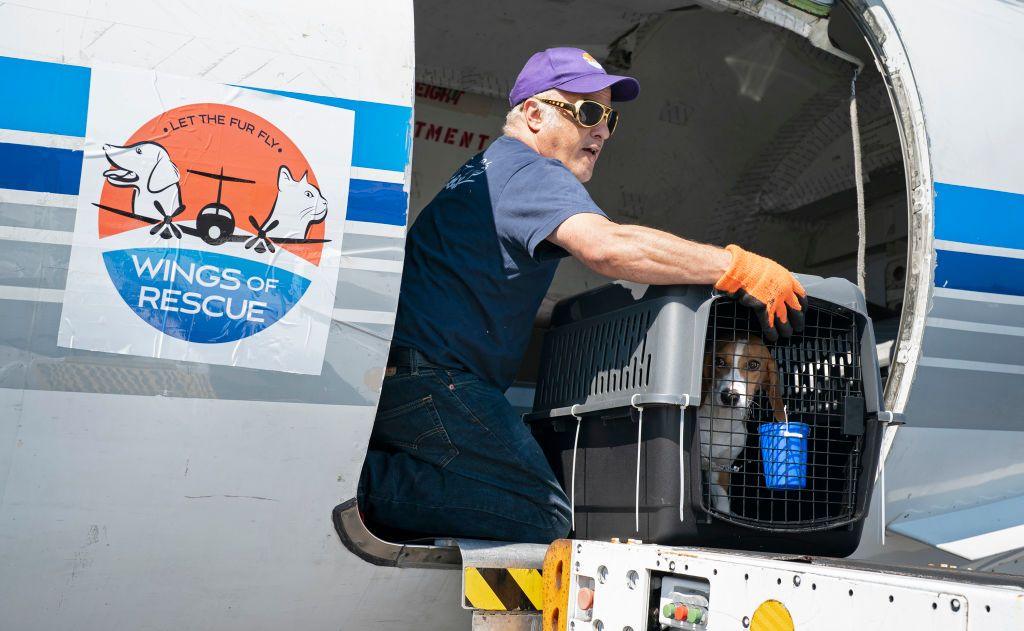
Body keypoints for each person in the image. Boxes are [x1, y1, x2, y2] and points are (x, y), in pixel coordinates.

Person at [357, 47, 806, 544]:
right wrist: (736, 267)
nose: (603, 131)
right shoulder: (530, 171)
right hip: (433, 380)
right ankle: (359, 488)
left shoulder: (491, 168)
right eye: (588, 113)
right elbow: (607, 246)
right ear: (533, 115)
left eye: (610, 118)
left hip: (414, 377)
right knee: (539, 514)